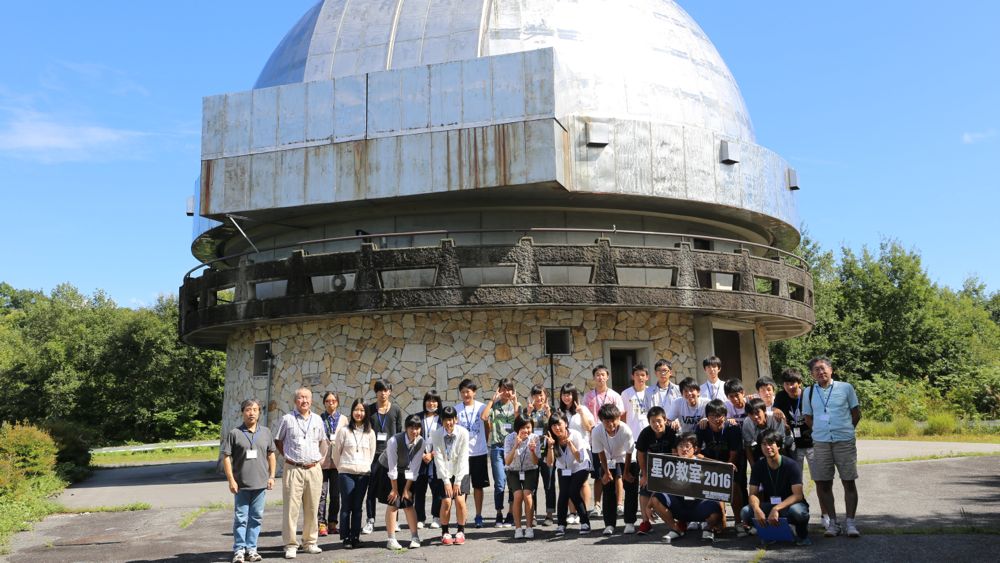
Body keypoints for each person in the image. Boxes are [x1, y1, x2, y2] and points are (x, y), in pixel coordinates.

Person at [802, 356, 862, 538]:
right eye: (816, 370)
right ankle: (833, 523)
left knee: (848, 481)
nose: (820, 372)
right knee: (823, 483)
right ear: (812, 374)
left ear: (831, 369)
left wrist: (846, 429)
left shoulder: (846, 388)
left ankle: (850, 522)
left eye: (823, 368)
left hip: (844, 441)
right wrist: (820, 431)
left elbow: (856, 413)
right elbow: (808, 417)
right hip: (821, 443)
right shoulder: (808, 391)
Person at [274, 387, 326, 559]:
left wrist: (318, 461)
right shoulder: (287, 419)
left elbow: (322, 442)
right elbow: (278, 440)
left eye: (307, 398)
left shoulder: (318, 419)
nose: (304, 401)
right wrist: (289, 457)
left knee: (312, 507)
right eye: (301, 398)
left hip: (313, 469)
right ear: (295, 401)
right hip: (293, 469)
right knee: (291, 508)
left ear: (311, 400)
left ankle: (310, 542)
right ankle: (290, 544)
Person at [222, 399, 276, 563]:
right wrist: (231, 479)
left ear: (259, 412)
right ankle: (239, 550)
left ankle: (252, 549)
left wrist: (272, 476)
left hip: (260, 485)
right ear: (242, 412)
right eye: (248, 409)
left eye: (254, 409)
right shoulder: (235, 433)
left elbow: (271, 454)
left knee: (256, 518)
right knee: (241, 518)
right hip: (241, 485)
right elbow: (226, 456)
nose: (251, 413)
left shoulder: (266, 432)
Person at [648, 433, 723, 543]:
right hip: (679, 505)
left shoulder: (705, 464)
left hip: (699, 506)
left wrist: (723, 518)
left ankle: (709, 529)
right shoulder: (669, 463)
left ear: (695, 448)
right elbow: (659, 486)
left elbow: (718, 490)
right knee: (656, 498)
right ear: (676, 448)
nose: (684, 449)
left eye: (687, 446)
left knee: (715, 505)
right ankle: (675, 529)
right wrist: (648, 506)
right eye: (681, 446)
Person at [741, 430, 811, 546]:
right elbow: (753, 493)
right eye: (764, 444)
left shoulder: (791, 465)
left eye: (771, 443)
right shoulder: (758, 466)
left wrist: (776, 509)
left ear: (778, 445)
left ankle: (801, 535)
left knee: (798, 512)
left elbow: (798, 495)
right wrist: (757, 509)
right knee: (746, 512)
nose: (767, 447)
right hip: (770, 504)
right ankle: (770, 533)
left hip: (789, 505)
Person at [332, 399, 376, 549]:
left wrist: (364, 467)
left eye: (362, 410)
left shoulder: (370, 432)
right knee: (346, 506)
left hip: (363, 474)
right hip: (346, 473)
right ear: (352, 411)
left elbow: (371, 454)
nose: (359, 413)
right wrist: (342, 468)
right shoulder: (344, 430)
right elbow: (336, 453)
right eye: (356, 409)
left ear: (366, 413)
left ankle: (355, 536)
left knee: (358, 507)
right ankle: (346, 537)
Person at [378, 414, 425, 550]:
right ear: (406, 428)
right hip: (388, 469)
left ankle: (415, 537)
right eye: (411, 428)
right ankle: (391, 539)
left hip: (406, 471)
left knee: (408, 503)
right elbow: (392, 467)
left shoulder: (421, 442)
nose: (414, 431)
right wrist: (395, 489)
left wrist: (406, 489)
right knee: (394, 503)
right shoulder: (394, 441)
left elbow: (415, 467)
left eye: (417, 428)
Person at [582, 365, 624, 517]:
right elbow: (586, 417)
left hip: (614, 439)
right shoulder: (588, 397)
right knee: (599, 474)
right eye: (597, 375)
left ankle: (620, 504)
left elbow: (619, 415)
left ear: (607, 377)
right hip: (596, 439)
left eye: (603, 374)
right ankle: (597, 505)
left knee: (618, 473)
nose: (600, 377)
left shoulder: (614, 396)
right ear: (594, 378)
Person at [696, 399, 742, 532]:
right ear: (706, 417)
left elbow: (734, 453)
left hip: (729, 464)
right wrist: (715, 464)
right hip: (710, 464)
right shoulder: (701, 427)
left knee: (734, 488)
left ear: (725, 415)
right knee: (713, 492)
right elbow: (697, 453)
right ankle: (718, 522)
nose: (716, 419)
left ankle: (738, 522)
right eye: (712, 416)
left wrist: (726, 466)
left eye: (719, 416)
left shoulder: (733, 428)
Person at [363, 380, 402, 535]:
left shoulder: (396, 410)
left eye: (386, 390)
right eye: (380, 390)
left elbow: (399, 432)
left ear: (390, 391)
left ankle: (395, 520)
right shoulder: (370, 410)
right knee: (371, 489)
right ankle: (370, 520)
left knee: (394, 488)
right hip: (373, 455)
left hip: (391, 455)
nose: (383, 393)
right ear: (376, 392)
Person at [591, 403, 635, 535]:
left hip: (627, 458)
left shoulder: (625, 430)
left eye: (613, 420)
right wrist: (606, 472)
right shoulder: (597, 431)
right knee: (608, 489)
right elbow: (600, 453)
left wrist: (626, 472)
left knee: (631, 488)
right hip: (608, 460)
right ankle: (609, 524)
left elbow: (628, 452)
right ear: (601, 421)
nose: (610, 424)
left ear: (619, 418)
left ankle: (629, 522)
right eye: (606, 421)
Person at [634, 406, 678, 535]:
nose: (656, 424)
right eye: (653, 421)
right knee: (644, 489)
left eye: (659, 420)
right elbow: (640, 455)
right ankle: (645, 522)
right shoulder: (645, 433)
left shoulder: (672, 432)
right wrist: (645, 474)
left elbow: (676, 454)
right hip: (652, 467)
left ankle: (680, 521)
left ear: (665, 420)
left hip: (671, 468)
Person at [546, 415, 592, 536]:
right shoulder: (551, 438)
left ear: (565, 423)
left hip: (580, 466)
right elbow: (550, 463)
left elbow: (580, 458)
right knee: (563, 494)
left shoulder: (575, 434)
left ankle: (585, 522)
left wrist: (570, 444)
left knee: (573, 491)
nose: (557, 428)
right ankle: (561, 524)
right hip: (564, 468)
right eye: (553, 425)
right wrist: (550, 446)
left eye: (559, 424)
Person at [432, 406, 471, 545]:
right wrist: (447, 481)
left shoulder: (464, 433)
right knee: (447, 501)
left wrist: (458, 481)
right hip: (444, 473)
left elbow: (463, 457)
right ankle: (445, 531)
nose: (448, 423)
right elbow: (439, 459)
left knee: (460, 501)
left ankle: (461, 531)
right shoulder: (436, 435)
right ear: (441, 420)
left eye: (451, 419)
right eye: (445, 420)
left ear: (456, 419)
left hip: (461, 471)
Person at [482, 377, 518, 527]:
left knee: (511, 482)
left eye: (508, 389)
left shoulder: (517, 405)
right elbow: (484, 417)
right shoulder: (494, 406)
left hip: (512, 447)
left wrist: (515, 401)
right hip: (497, 447)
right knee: (499, 483)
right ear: (498, 390)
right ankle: (498, 513)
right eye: (502, 389)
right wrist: (491, 400)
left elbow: (519, 419)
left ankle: (510, 513)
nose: (505, 392)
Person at [456, 378, 490, 528]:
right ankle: (463, 516)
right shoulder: (456, 409)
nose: (465, 394)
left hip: (479, 452)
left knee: (478, 486)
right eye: (463, 392)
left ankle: (478, 515)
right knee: (463, 487)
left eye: (468, 391)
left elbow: (487, 426)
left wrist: (485, 441)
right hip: (462, 455)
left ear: (474, 392)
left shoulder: (482, 407)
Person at [557, 382, 593, 524]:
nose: (567, 397)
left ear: (574, 395)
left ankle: (583, 511)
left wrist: (581, 413)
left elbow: (589, 427)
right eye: (564, 394)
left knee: (582, 482)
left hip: (582, 449)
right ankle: (572, 513)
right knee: (569, 482)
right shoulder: (560, 411)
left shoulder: (582, 408)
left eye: (569, 394)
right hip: (566, 451)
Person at [504, 412, 541, 538]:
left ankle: (529, 527)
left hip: (530, 470)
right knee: (518, 495)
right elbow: (507, 461)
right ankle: (518, 528)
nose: (526, 430)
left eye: (528, 427)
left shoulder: (535, 438)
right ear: (517, 428)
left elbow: (536, 462)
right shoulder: (509, 438)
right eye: (523, 427)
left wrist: (532, 451)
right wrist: (515, 446)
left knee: (527, 495)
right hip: (513, 471)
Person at [773, 368, 814, 476]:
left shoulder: (808, 394)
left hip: (812, 442)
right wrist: (776, 410)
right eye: (786, 384)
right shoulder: (781, 396)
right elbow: (775, 408)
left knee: (818, 476)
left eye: (792, 383)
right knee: (795, 477)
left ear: (799, 383)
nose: (789, 387)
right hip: (794, 444)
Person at [317, 391, 346, 538]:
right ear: (324, 403)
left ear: (337, 402)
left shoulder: (344, 420)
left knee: (335, 495)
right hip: (321, 463)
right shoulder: (318, 419)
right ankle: (321, 523)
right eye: (327, 400)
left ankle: (333, 523)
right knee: (321, 495)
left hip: (338, 463)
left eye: (333, 400)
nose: (330, 403)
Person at [525, 385, 555, 525]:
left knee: (549, 483)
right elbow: (524, 429)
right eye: (536, 395)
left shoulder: (551, 410)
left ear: (546, 396)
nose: (539, 398)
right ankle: (533, 515)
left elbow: (555, 429)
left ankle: (549, 514)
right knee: (533, 484)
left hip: (547, 450)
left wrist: (549, 415)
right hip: (533, 450)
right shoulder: (527, 411)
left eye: (541, 395)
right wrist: (529, 414)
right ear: (532, 397)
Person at [413, 391, 443, 530]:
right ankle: (420, 518)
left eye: (434, 400)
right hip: (419, 459)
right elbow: (411, 437)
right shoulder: (417, 417)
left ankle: (436, 517)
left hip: (436, 458)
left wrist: (432, 454)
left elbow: (445, 441)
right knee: (419, 490)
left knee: (437, 489)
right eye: (429, 400)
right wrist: (421, 454)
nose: (432, 403)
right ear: (424, 402)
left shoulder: (442, 419)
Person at [742, 398, 791, 465]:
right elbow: (747, 446)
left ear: (764, 410)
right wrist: (753, 466)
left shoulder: (776, 417)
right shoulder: (747, 422)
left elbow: (782, 442)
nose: (755, 417)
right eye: (751, 414)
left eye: (757, 413)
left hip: (778, 447)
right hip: (761, 447)